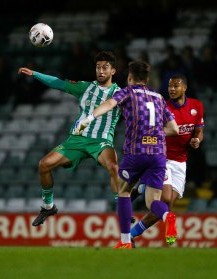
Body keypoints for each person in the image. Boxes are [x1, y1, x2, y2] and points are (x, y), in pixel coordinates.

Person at [74, 60, 179, 248]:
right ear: (146, 79)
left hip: (136, 152)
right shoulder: (159, 97)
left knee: (123, 191)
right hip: (158, 154)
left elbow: (109, 104)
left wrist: (89, 118)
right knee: (153, 201)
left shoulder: (127, 92)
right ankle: (167, 216)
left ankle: (125, 242)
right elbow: (175, 129)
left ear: (130, 77)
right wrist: (154, 134)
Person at [18, 51, 121, 226]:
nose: (101, 71)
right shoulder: (85, 87)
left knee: (114, 167)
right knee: (44, 165)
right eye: (98, 67)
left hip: (101, 141)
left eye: (105, 68)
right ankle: (48, 206)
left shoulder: (120, 93)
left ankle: (122, 209)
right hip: (77, 140)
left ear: (113, 71)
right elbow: (58, 83)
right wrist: (35, 74)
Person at [130, 74, 205, 245]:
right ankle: (144, 187)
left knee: (166, 206)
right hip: (161, 159)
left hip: (181, 162)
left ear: (184, 88)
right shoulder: (163, 106)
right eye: (170, 86)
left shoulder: (196, 106)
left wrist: (197, 140)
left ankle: (132, 233)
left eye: (176, 86)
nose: (172, 89)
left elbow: (199, 131)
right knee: (163, 200)